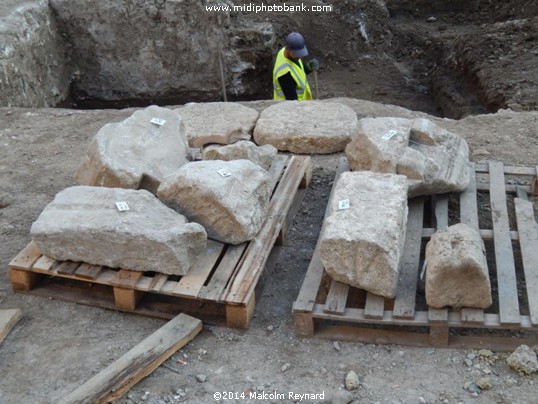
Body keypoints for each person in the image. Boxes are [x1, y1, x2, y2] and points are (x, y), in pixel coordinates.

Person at [273, 32, 319, 101]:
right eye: (297, 54)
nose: (299, 56)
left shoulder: (285, 53)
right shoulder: (285, 74)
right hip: (291, 108)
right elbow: (293, 102)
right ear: (287, 49)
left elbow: (298, 70)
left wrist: (308, 67)